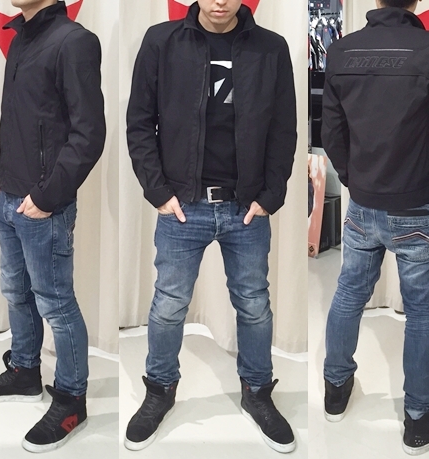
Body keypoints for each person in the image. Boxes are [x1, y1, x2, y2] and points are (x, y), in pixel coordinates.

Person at [126, 0, 297, 453]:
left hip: (246, 207)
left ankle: (257, 391)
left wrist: (270, 195)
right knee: (168, 305)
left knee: (254, 305)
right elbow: (139, 122)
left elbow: (284, 129)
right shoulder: (161, 41)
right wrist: (158, 191)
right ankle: (159, 389)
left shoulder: (271, 48)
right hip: (184, 205)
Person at [321, 0, 429, 455]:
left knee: (349, 293)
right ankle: (420, 418)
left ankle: (335, 388)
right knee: (421, 311)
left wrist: (356, 181)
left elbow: (331, 133)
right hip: (416, 204)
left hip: (364, 203)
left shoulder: (342, 51)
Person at [0, 0, 106, 453]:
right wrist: (2, 170)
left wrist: (47, 197)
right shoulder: (20, 37)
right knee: (16, 290)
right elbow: (22, 118)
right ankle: (25, 371)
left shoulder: (74, 41)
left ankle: (71, 400)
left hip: (42, 204)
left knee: (56, 303)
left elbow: (89, 134)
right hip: (10, 194)